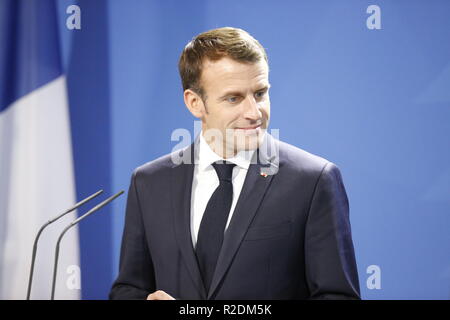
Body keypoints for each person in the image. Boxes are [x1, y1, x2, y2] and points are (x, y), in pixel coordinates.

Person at [109, 27, 360, 300]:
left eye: (260, 93)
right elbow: (128, 288)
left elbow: (337, 296)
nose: (254, 112)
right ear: (195, 103)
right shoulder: (148, 182)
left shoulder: (313, 181)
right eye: (234, 98)